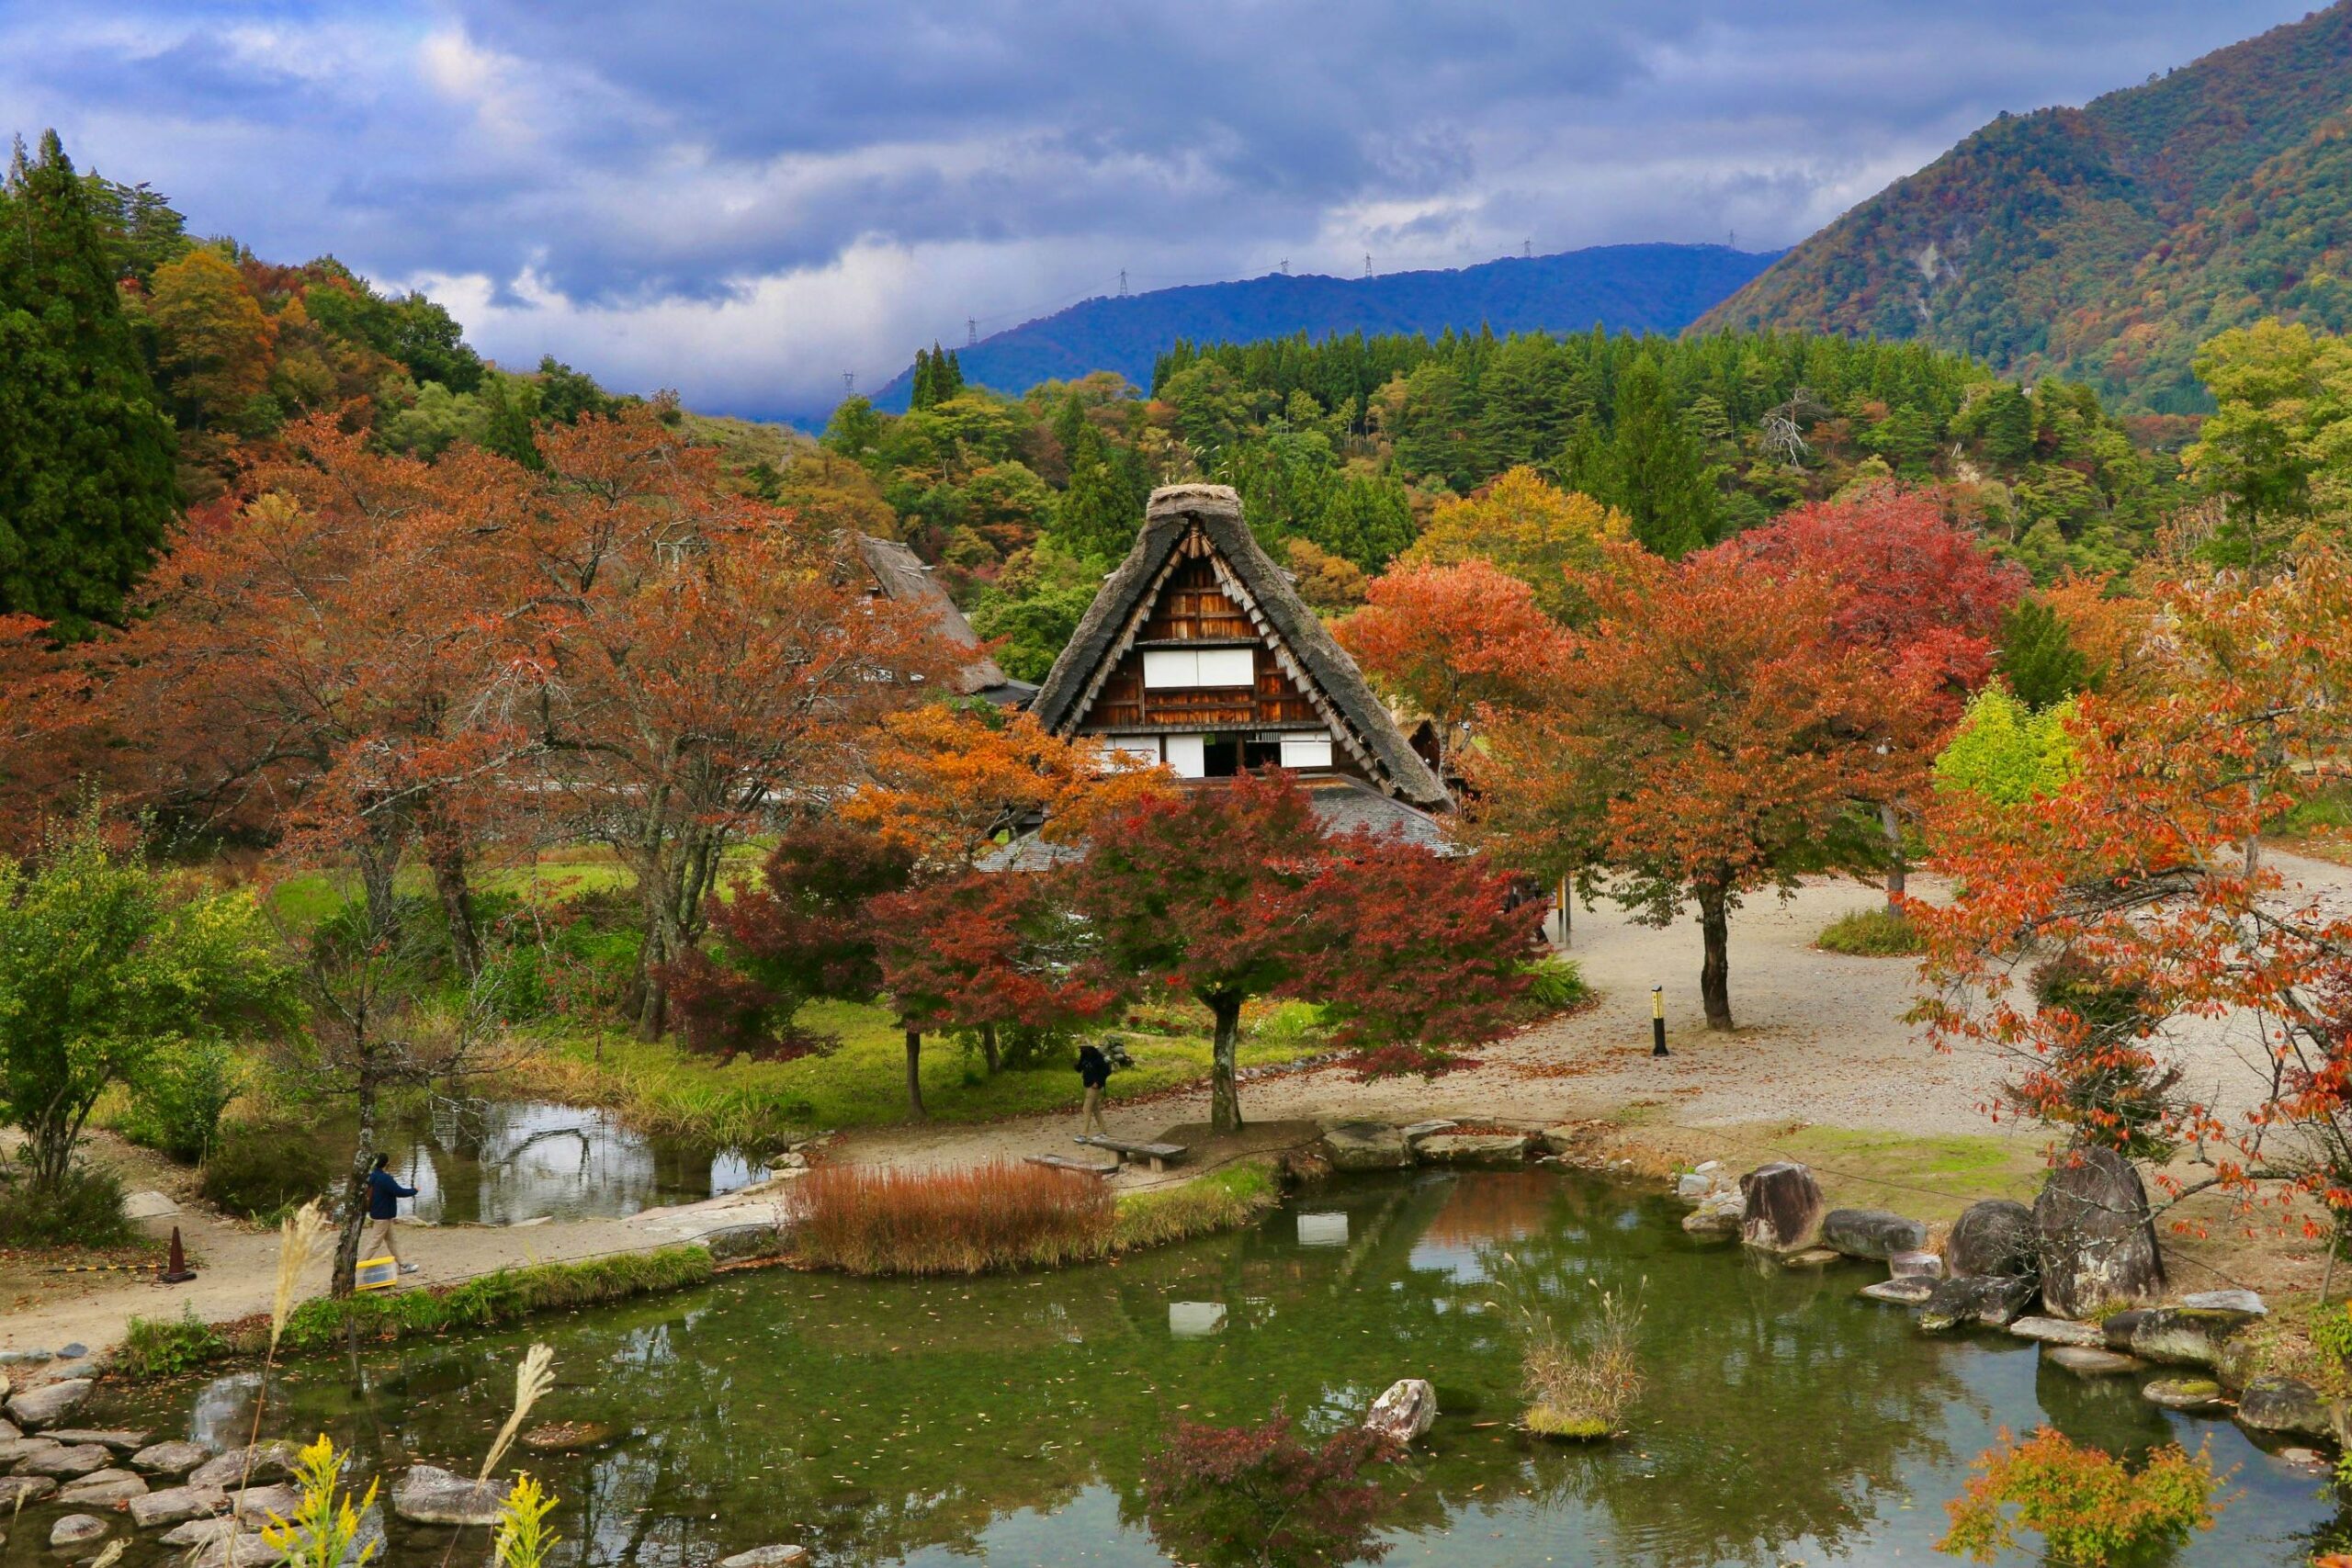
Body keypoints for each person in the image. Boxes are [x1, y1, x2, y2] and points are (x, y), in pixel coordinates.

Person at [366, 1153, 421, 1276]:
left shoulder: (373, 1176)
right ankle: (358, 1267)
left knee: (392, 1241)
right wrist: (414, 1190)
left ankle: (402, 1266)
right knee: (375, 1243)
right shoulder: (385, 1178)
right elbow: (398, 1191)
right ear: (386, 1163)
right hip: (382, 1216)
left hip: (380, 1214)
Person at [1075, 1040, 1111, 1138]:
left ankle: (1083, 1135)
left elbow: (1106, 1071)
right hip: (1086, 1084)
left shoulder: (1097, 1057)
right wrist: (1075, 1065)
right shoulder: (1084, 1056)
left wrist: (1098, 1082)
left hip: (1094, 1086)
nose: (1081, 1048)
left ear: (1088, 1047)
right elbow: (1079, 1069)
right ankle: (1103, 1132)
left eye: (1083, 1047)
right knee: (1095, 1109)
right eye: (1080, 1047)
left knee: (1086, 1108)